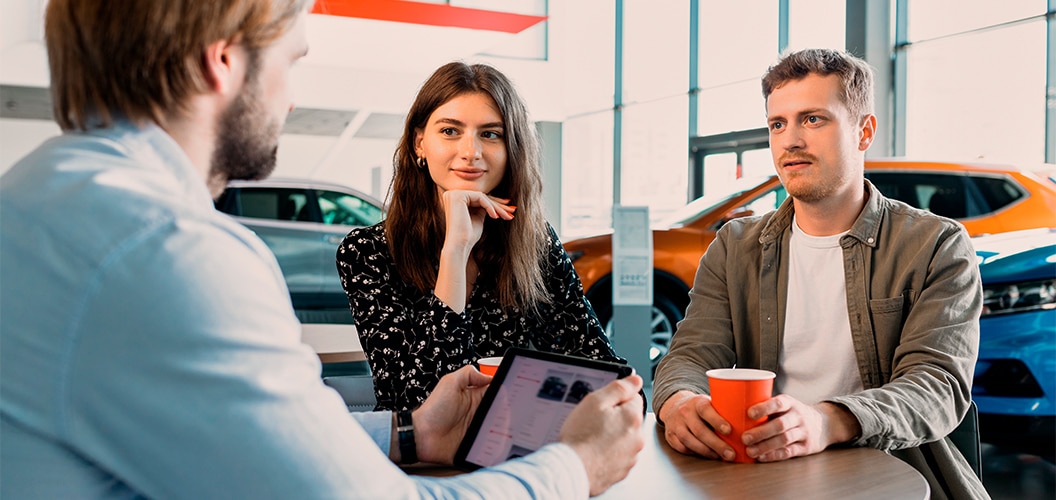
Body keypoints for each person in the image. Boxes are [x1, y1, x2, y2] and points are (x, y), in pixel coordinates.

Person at [0, 1, 645, 498]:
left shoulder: (41, 200)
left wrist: (412, 432)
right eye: (293, 59)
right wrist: (578, 464)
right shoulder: (169, 254)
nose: (291, 95)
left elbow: (239, 442)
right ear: (222, 61)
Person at [651, 48, 988, 499]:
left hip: (895, 475)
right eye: (778, 124)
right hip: (763, 474)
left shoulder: (935, 245)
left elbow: (936, 386)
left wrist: (826, 420)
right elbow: (690, 354)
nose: (790, 140)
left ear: (864, 131)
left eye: (813, 119)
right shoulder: (735, 246)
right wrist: (678, 402)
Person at [337, 62, 626, 412]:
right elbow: (414, 404)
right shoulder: (367, 252)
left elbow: (610, 377)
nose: (470, 152)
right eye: (449, 131)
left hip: (525, 447)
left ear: (511, 150)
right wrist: (456, 251)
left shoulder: (536, 244)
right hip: (423, 464)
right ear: (419, 144)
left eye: (490, 134)